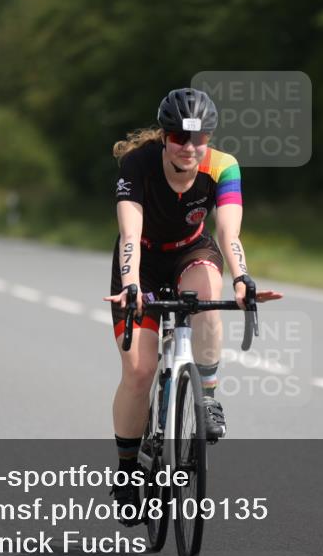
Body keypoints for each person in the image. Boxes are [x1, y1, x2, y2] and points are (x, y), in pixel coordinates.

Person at [103, 88, 282, 522]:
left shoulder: (223, 166)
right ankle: (128, 470)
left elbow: (229, 234)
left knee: (207, 291)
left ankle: (208, 393)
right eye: (180, 139)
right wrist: (130, 286)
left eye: (200, 138)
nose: (190, 147)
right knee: (140, 370)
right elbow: (129, 236)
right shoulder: (138, 164)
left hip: (190, 252)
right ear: (164, 138)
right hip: (141, 262)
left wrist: (241, 278)